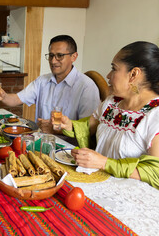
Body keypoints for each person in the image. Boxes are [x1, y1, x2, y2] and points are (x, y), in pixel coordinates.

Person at [60, 41, 159, 189]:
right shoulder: (112, 103)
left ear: (133, 74)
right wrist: (68, 125)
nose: (108, 75)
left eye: (114, 69)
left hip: (129, 197)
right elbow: (88, 127)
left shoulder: (154, 116)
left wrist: (104, 163)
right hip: (96, 184)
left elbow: (155, 172)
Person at [0, 35, 100, 133]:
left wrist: (56, 130)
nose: (53, 61)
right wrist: (4, 96)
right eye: (51, 55)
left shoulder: (87, 87)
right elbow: (17, 99)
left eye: (60, 56)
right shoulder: (42, 81)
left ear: (74, 57)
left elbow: (88, 129)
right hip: (40, 140)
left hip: (69, 149)